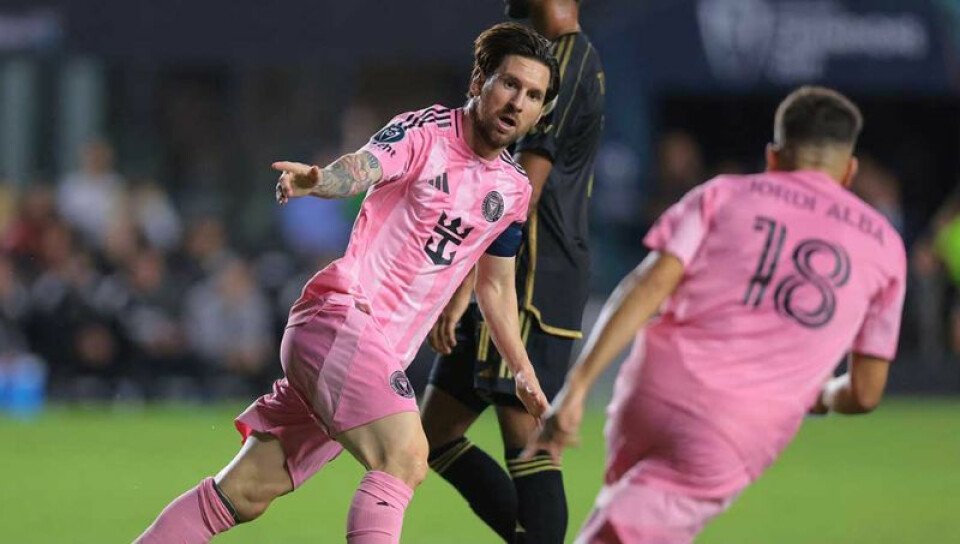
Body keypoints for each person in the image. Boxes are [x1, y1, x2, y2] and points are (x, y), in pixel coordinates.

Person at [135, 22, 558, 543]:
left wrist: (521, 369)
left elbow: (495, 287)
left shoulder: (513, 191)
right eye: (510, 83)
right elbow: (363, 167)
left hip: (368, 356)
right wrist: (323, 181)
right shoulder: (425, 133)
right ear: (479, 81)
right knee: (406, 456)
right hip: (340, 319)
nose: (517, 102)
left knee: (243, 493)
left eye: (533, 95)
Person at [527, 86, 907, 543]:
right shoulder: (885, 246)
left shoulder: (722, 194)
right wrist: (822, 395)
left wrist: (578, 386)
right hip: (731, 428)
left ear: (773, 156)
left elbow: (647, 286)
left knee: (623, 514)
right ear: (849, 171)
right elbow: (865, 392)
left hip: (650, 391)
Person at [420, 1, 604, 543]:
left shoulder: (562, 62)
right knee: (433, 435)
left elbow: (523, 187)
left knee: (526, 442)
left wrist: (464, 282)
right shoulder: (571, 57)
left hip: (527, 276)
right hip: (524, 268)